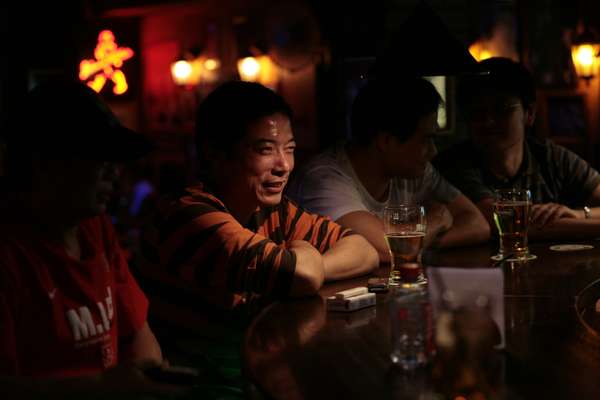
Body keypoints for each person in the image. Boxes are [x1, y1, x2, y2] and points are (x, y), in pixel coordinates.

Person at [0, 81, 176, 397]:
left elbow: (137, 329)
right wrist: (103, 388)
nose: (115, 173)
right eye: (99, 158)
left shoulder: (95, 227)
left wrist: (148, 379)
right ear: (46, 163)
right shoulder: (11, 254)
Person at [140, 81, 378, 313]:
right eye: (265, 150)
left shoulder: (274, 211)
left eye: (289, 149)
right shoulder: (189, 215)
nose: (284, 165)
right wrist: (301, 266)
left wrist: (314, 265)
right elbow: (303, 275)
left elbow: (364, 251)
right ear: (215, 153)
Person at [286, 77, 490, 262]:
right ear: (386, 141)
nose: (433, 152)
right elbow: (388, 249)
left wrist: (418, 242)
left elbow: (478, 225)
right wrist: (436, 221)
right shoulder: (324, 179)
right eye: (426, 140)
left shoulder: (415, 170)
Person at [434, 57, 600, 240]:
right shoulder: (455, 166)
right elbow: (506, 224)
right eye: (477, 112)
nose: (488, 121)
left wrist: (579, 213)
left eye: (502, 109)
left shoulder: (551, 158)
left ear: (529, 114)